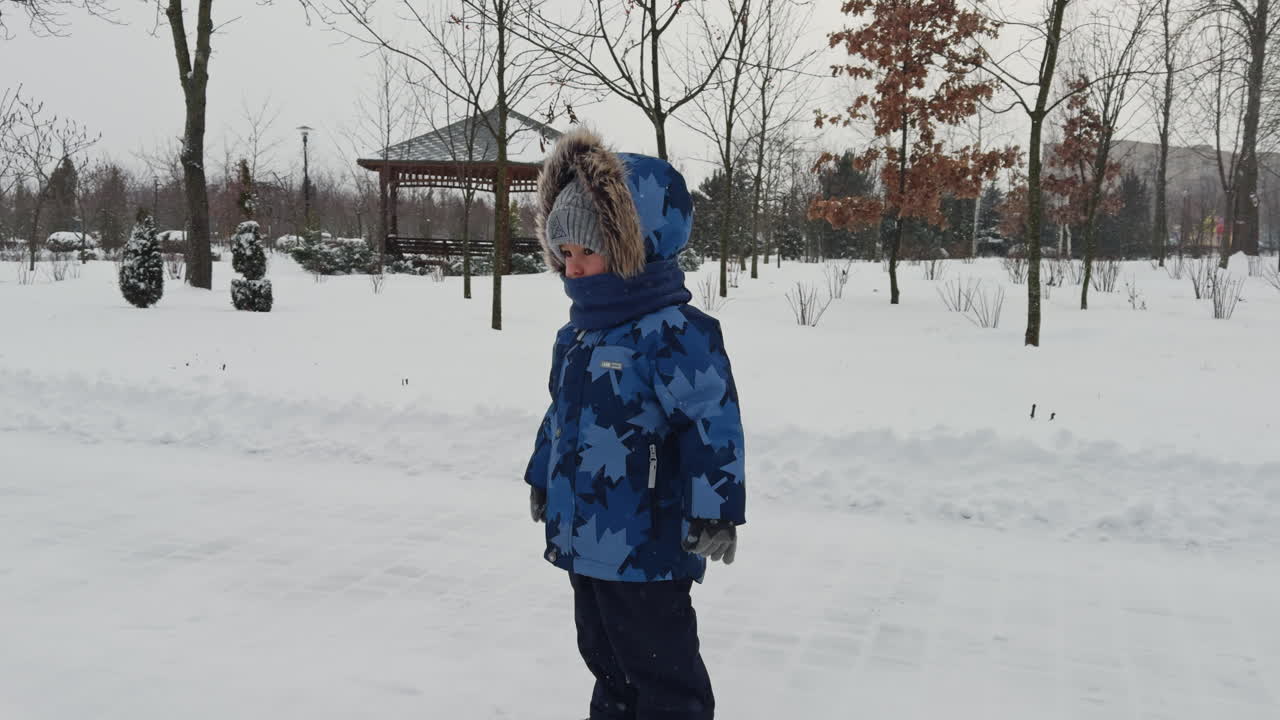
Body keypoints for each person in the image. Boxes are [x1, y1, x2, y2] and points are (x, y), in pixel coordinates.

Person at [524, 128, 747, 720]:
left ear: (634, 247)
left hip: (646, 540)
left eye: (586, 252)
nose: (572, 269)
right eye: (563, 254)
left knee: (661, 668)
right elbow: (559, 415)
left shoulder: (673, 333)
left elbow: (710, 422)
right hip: (584, 536)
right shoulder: (575, 336)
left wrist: (716, 507)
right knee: (604, 657)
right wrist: (542, 476)